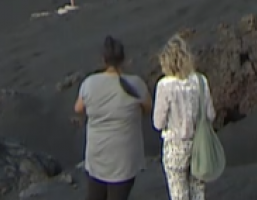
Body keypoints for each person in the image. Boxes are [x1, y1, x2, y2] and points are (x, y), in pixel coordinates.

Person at [74, 35, 151, 200]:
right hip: (125, 158)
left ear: (103, 59)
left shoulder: (89, 83)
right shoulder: (136, 84)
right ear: (124, 59)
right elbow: (147, 108)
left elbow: (78, 108)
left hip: (98, 156)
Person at [152, 34, 217, 200]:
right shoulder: (201, 81)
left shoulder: (165, 85)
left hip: (175, 146)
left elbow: (158, 123)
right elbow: (211, 114)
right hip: (199, 143)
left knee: (178, 194)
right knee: (198, 191)